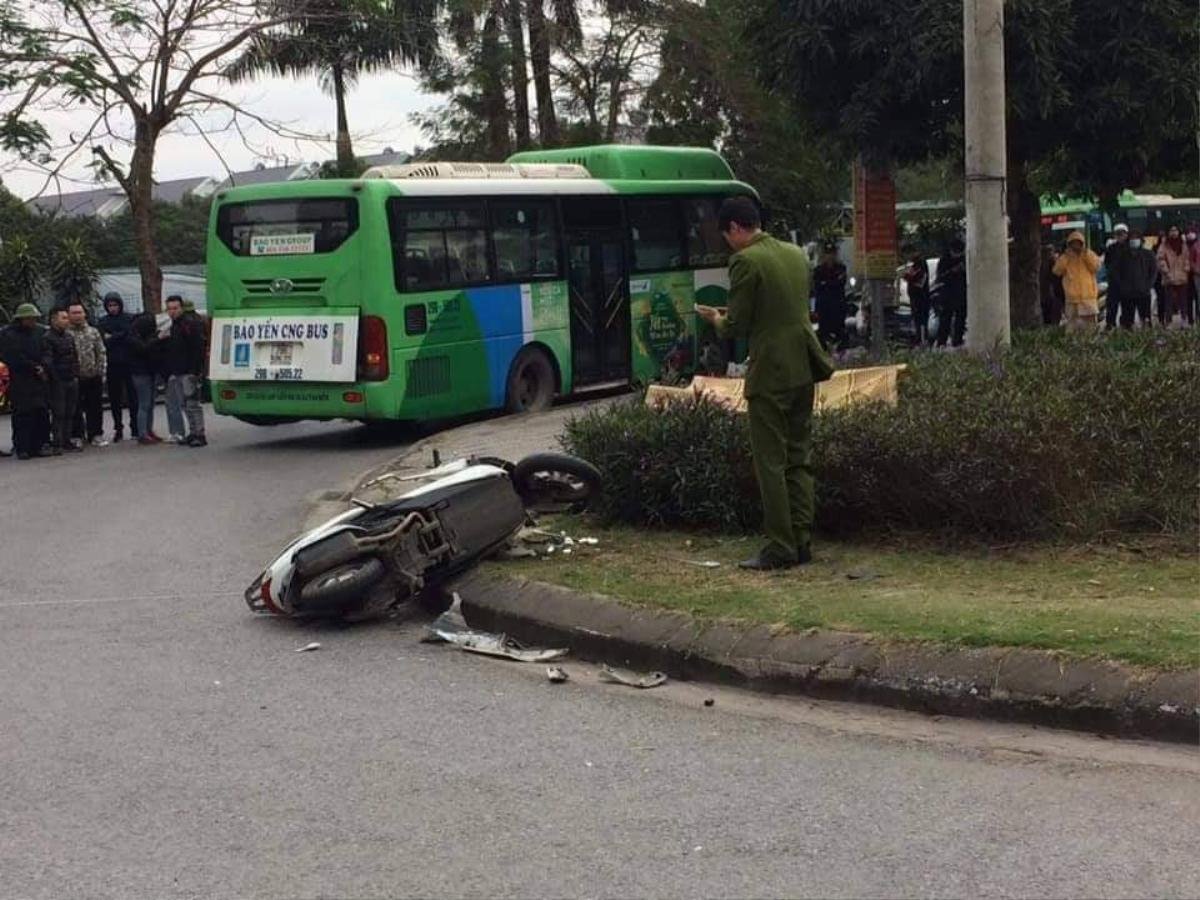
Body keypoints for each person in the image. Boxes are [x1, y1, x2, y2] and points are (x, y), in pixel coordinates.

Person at [695, 197, 834, 571]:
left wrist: (715, 319)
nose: (729, 244)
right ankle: (802, 540)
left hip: (770, 373)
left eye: (727, 236)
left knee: (770, 462)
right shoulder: (793, 254)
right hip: (804, 366)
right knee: (799, 456)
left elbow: (738, 325)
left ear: (736, 228)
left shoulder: (745, 261)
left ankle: (780, 546)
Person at [0, 303, 51, 459]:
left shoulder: (41, 331)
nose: (32, 321)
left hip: (38, 379)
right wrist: (33, 366)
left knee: (41, 412)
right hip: (19, 379)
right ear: (20, 319)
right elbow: (12, 356)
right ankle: (22, 447)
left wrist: (43, 365)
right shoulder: (8, 334)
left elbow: (47, 351)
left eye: (34, 318)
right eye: (28, 319)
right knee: (22, 414)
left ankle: (40, 445)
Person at [162, 295, 207, 447]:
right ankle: (193, 432)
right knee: (184, 404)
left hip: (189, 371)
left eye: (175, 308)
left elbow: (197, 347)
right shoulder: (174, 325)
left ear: (181, 308)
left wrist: (195, 370)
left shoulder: (188, 324)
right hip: (178, 371)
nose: (172, 312)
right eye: (169, 309)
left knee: (193, 403)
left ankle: (199, 434)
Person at [97, 291, 138, 441]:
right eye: (110, 305)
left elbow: (130, 336)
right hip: (113, 364)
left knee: (133, 397)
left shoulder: (129, 318)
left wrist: (114, 336)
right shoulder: (103, 321)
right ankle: (118, 428)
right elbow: (104, 341)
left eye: (115, 305)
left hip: (129, 363)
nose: (113, 308)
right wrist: (121, 335)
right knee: (115, 398)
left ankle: (135, 427)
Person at [67, 301, 107, 447]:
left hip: (93, 376)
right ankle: (77, 435)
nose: (77, 316)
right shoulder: (66, 333)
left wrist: (101, 372)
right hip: (74, 377)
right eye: (74, 313)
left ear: (85, 314)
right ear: (69, 315)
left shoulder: (93, 332)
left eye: (79, 312)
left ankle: (96, 434)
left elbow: (101, 352)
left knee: (95, 407)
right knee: (75, 408)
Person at [44, 307, 81, 454]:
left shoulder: (69, 336)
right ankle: (57, 442)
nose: (67, 320)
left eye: (67, 317)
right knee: (58, 413)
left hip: (71, 378)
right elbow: (48, 361)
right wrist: (55, 378)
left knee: (70, 412)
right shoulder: (48, 338)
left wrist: (76, 373)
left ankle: (67, 440)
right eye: (63, 318)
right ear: (54, 320)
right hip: (58, 381)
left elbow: (75, 356)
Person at [127, 310, 164, 445]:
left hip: (150, 372)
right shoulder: (133, 338)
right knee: (144, 404)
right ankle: (142, 432)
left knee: (150, 404)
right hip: (140, 373)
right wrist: (157, 339)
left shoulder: (145, 336)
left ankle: (148, 430)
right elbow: (143, 349)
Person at [1052, 231, 1101, 332]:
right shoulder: (1065, 257)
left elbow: (1096, 267)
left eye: (1078, 243)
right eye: (1073, 243)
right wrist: (1066, 256)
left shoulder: (1088, 254)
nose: (1076, 245)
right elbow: (1057, 271)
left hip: (1088, 298)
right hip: (1072, 299)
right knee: (1072, 327)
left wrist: (1086, 254)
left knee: (1090, 327)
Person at [811, 242, 848, 351]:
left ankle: (841, 355)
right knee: (823, 334)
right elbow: (818, 286)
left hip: (838, 306)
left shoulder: (841, 268)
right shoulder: (818, 270)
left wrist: (826, 284)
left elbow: (840, 283)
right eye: (827, 254)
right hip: (824, 307)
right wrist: (831, 283)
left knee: (840, 333)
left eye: (832, 254)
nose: (830, 256)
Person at [1119, 229, 1158, 329]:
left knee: (1145, 320)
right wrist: (1122, 286)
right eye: (1132, 238)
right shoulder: (1122, 255)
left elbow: (1154, 271)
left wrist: (1148, 285)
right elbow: (1116, 272)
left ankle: (1147, 340)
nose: (1134, 240)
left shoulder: (1148, 254)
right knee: (1127, 322)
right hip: (1127, 294)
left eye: (1136, 238)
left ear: (1141, 240)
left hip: (1143, 292)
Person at [1155, 225, 1191, 326]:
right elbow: (1160, 259)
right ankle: (1169, 322)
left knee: (1183, 300)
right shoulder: (1164, 245)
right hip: (1169, 278)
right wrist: (1166, 271)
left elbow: (1187, 258)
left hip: (1182, 276)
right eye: (1171, 230)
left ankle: (1184, 320)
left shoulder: (1183, 244)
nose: (1174, 232)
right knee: (1169, 302)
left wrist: (1186, 268)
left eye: (1176, 230)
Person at [934, 238, 967, 347]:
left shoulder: (964, 260)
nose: (956, 255)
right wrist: (953, 271)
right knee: (945, 319)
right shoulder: (944, 260)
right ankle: (941, 341)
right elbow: (940, 277)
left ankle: (957, 340)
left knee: (960, 318)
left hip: (961, 293)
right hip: (947, 294)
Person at [1103, 224, 1131, 330]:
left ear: (1126, 234)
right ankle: (1110, 324)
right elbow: (1107, 264)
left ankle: (1126, 324)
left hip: (1127, 282)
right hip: (1114, 282)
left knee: (1127, 306)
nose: (1120, 236)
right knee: (1111, 306)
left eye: (1122, 234)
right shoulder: (1111, 248)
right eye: (1118, 234)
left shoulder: (1130, 248)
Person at [902, 249, 931, 344]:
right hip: (915, 297)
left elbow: (919, 280)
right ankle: (919, 338)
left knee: (921, 320)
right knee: (917, 320)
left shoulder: (921, 264)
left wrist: (909, 277)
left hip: (921, 297)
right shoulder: (913, 265)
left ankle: (922, 339)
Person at [1039, 244, 1066, 326]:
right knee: (1053, 321)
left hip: (1050, 296)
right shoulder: (1053, 264)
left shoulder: (1042, 265)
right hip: (1052, 297)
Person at [1187, 229, 1200, 326]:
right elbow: (1191, 261)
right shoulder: (1195, 246)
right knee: (1194, 297)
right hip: (1195, 275)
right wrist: (1196, 270)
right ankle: (1192, 320)